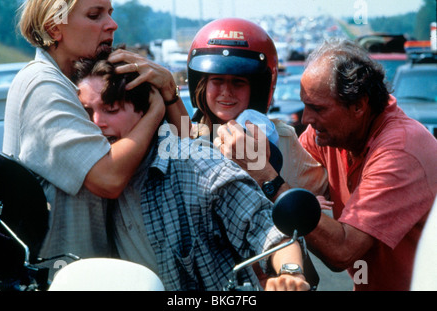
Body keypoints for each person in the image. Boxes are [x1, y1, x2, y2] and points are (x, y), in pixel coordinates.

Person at [74, 57, 311, 291]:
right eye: (86, 111)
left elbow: (269, 227)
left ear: (145, 110)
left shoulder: (198, 164)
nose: (96, 122)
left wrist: (291, 275)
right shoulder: (86, 173)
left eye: (111, 110)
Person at [2, 0, 188, 274]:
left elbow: (187, 150)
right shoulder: (41, 85)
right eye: (94, 15)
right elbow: (108, 178)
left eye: (110, 13)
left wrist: (170, 93)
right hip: (61, 279)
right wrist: (155, 110)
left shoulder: (87, 82)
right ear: (54, 28)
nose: (112, 24)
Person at [298, 39, 437, 291]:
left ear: (359, 106)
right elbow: (291, 180)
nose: (307, 119)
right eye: (306, 105)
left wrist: (274, 184)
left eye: (317, 108)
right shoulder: (327, 133)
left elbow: (342, 250)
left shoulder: (400, 149)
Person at [187, 18, 328, 200]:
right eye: (217, 80)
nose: (226, 92)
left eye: (238, 82)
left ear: (257, 90)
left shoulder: (281, 137)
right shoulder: (186, 137)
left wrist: (299, 200)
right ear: (201, 85)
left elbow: (320, 193)